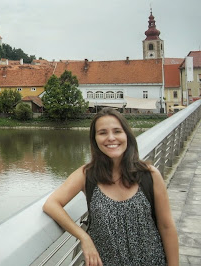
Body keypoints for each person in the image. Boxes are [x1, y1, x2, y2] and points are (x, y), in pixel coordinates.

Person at [42, 108, 179, 266]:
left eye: (117, 131)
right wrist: (83, 237)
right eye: (102, 133)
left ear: (127, 135)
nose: (111, 138)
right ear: (95, 139)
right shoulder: (87, 175)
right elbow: (51, 204)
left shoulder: (149, 175)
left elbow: (166, 226)